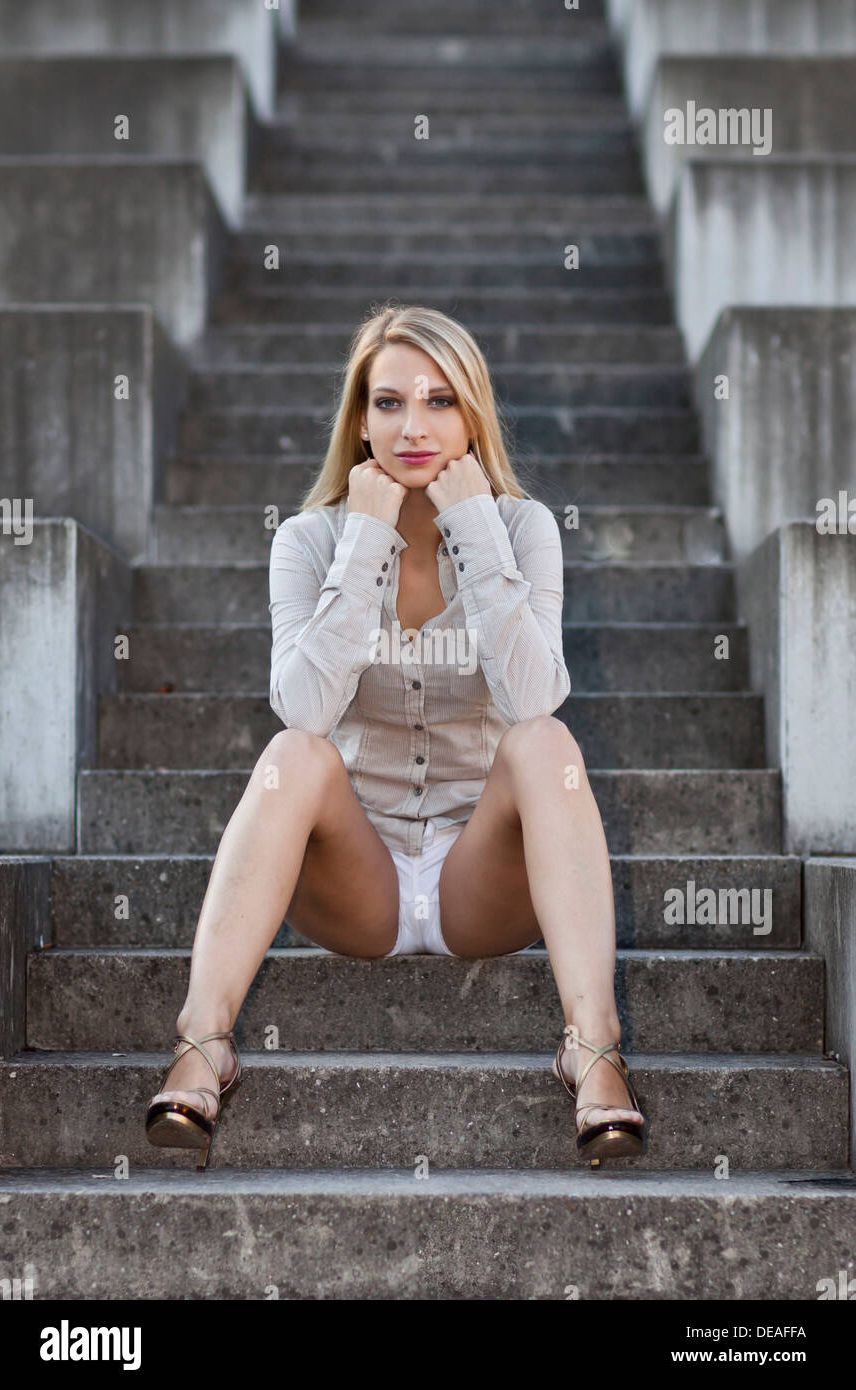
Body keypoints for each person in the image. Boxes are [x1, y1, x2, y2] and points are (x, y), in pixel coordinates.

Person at [145, 303, 647, 1169]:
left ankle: (593, 1050)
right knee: (292, 756)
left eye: (440, 401)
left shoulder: (525, 530)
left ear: (473, 416)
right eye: (388, 403)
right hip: (357, 882)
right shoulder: (309, 541)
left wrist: (476, 531)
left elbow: (537, 698)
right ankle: (204, 1043)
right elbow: (301, 710)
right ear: (359, 419)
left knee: (547, 748)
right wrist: (367, 538)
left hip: (482, 881)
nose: (413, 427)